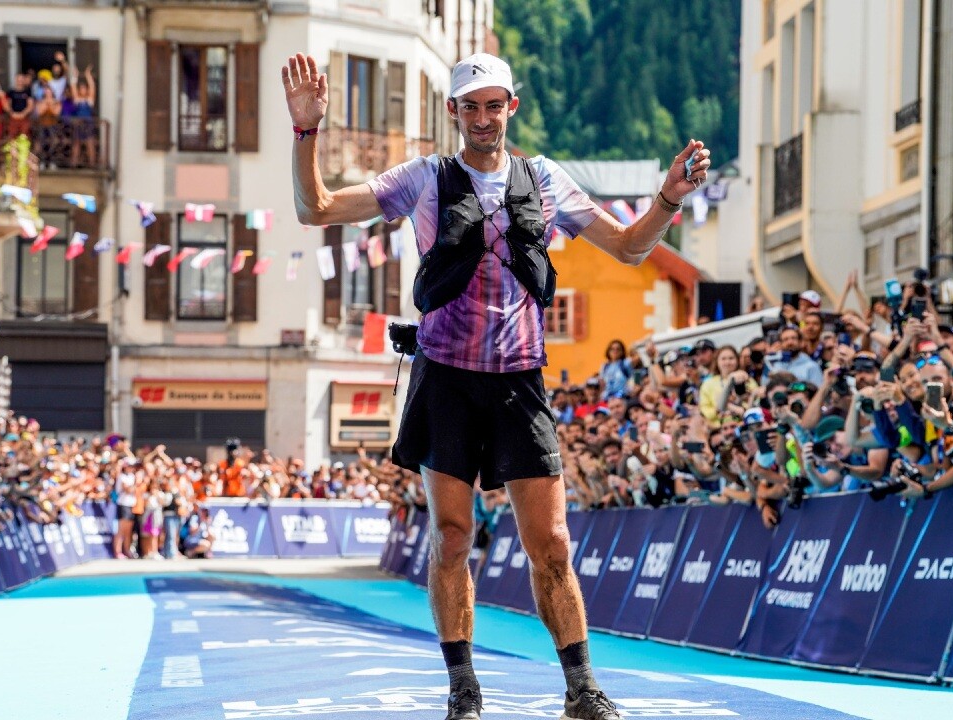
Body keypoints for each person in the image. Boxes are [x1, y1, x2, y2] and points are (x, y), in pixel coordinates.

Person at [284, 50, 710, 720]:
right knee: (453, 537)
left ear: (512, 106)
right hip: (446, 378)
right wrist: (306, 131)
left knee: (553, 544)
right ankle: (464, 689)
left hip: (519, 380)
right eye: (470, 108)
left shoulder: (544, 178)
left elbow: (630, 247)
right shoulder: (424, 177)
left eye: (493, 106)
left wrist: (669, 199)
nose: (482, 119)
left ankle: (581, 689)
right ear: (452, 111)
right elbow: (317, 209)